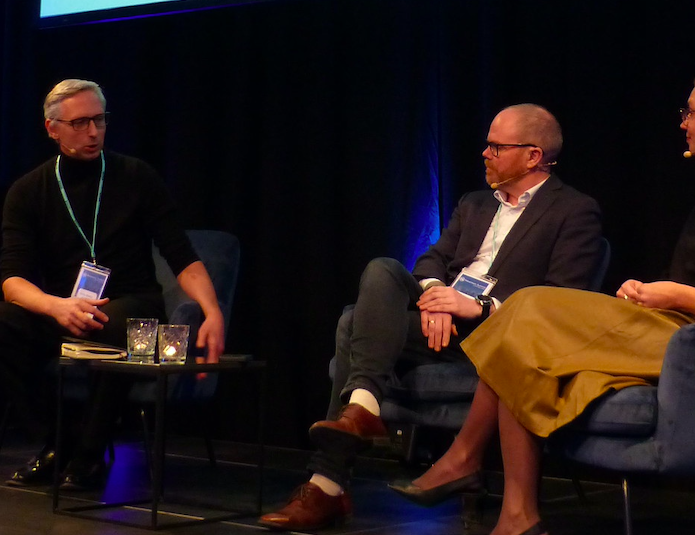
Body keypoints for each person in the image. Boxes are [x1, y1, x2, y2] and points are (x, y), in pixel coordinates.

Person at [390, 65, 695, 535]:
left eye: (691, 112)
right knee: (524, 347)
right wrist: (648, 293)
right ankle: (518, 516)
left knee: (528, 305)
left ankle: (464, 456)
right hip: (666, 323)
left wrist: (679, 294)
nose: (683, 122)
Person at [258, 103, 604, 531]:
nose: (485, 153)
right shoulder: (474, 204)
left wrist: (478, 307)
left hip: (502, 342)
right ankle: (361, 411)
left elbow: (563, 298)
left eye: (496, 146)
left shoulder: (574, 210)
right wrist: (435, 297)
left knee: (351, 324)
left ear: (534, 155)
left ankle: (328, 481)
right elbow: (431, 261)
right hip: (440, 326)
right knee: (383, 269)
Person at [0, 79, 225, 490]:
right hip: (64, 311)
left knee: (113, 321)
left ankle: (89, 454)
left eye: (100, 120)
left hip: (132, 307)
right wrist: (56, 306)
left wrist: (212, 312)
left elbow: (181, 256)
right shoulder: (28, 191)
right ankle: (57, 443)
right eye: (80, 123)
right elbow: (13, 281)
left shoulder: (136, 177)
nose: (93, 132)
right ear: (52, 129)